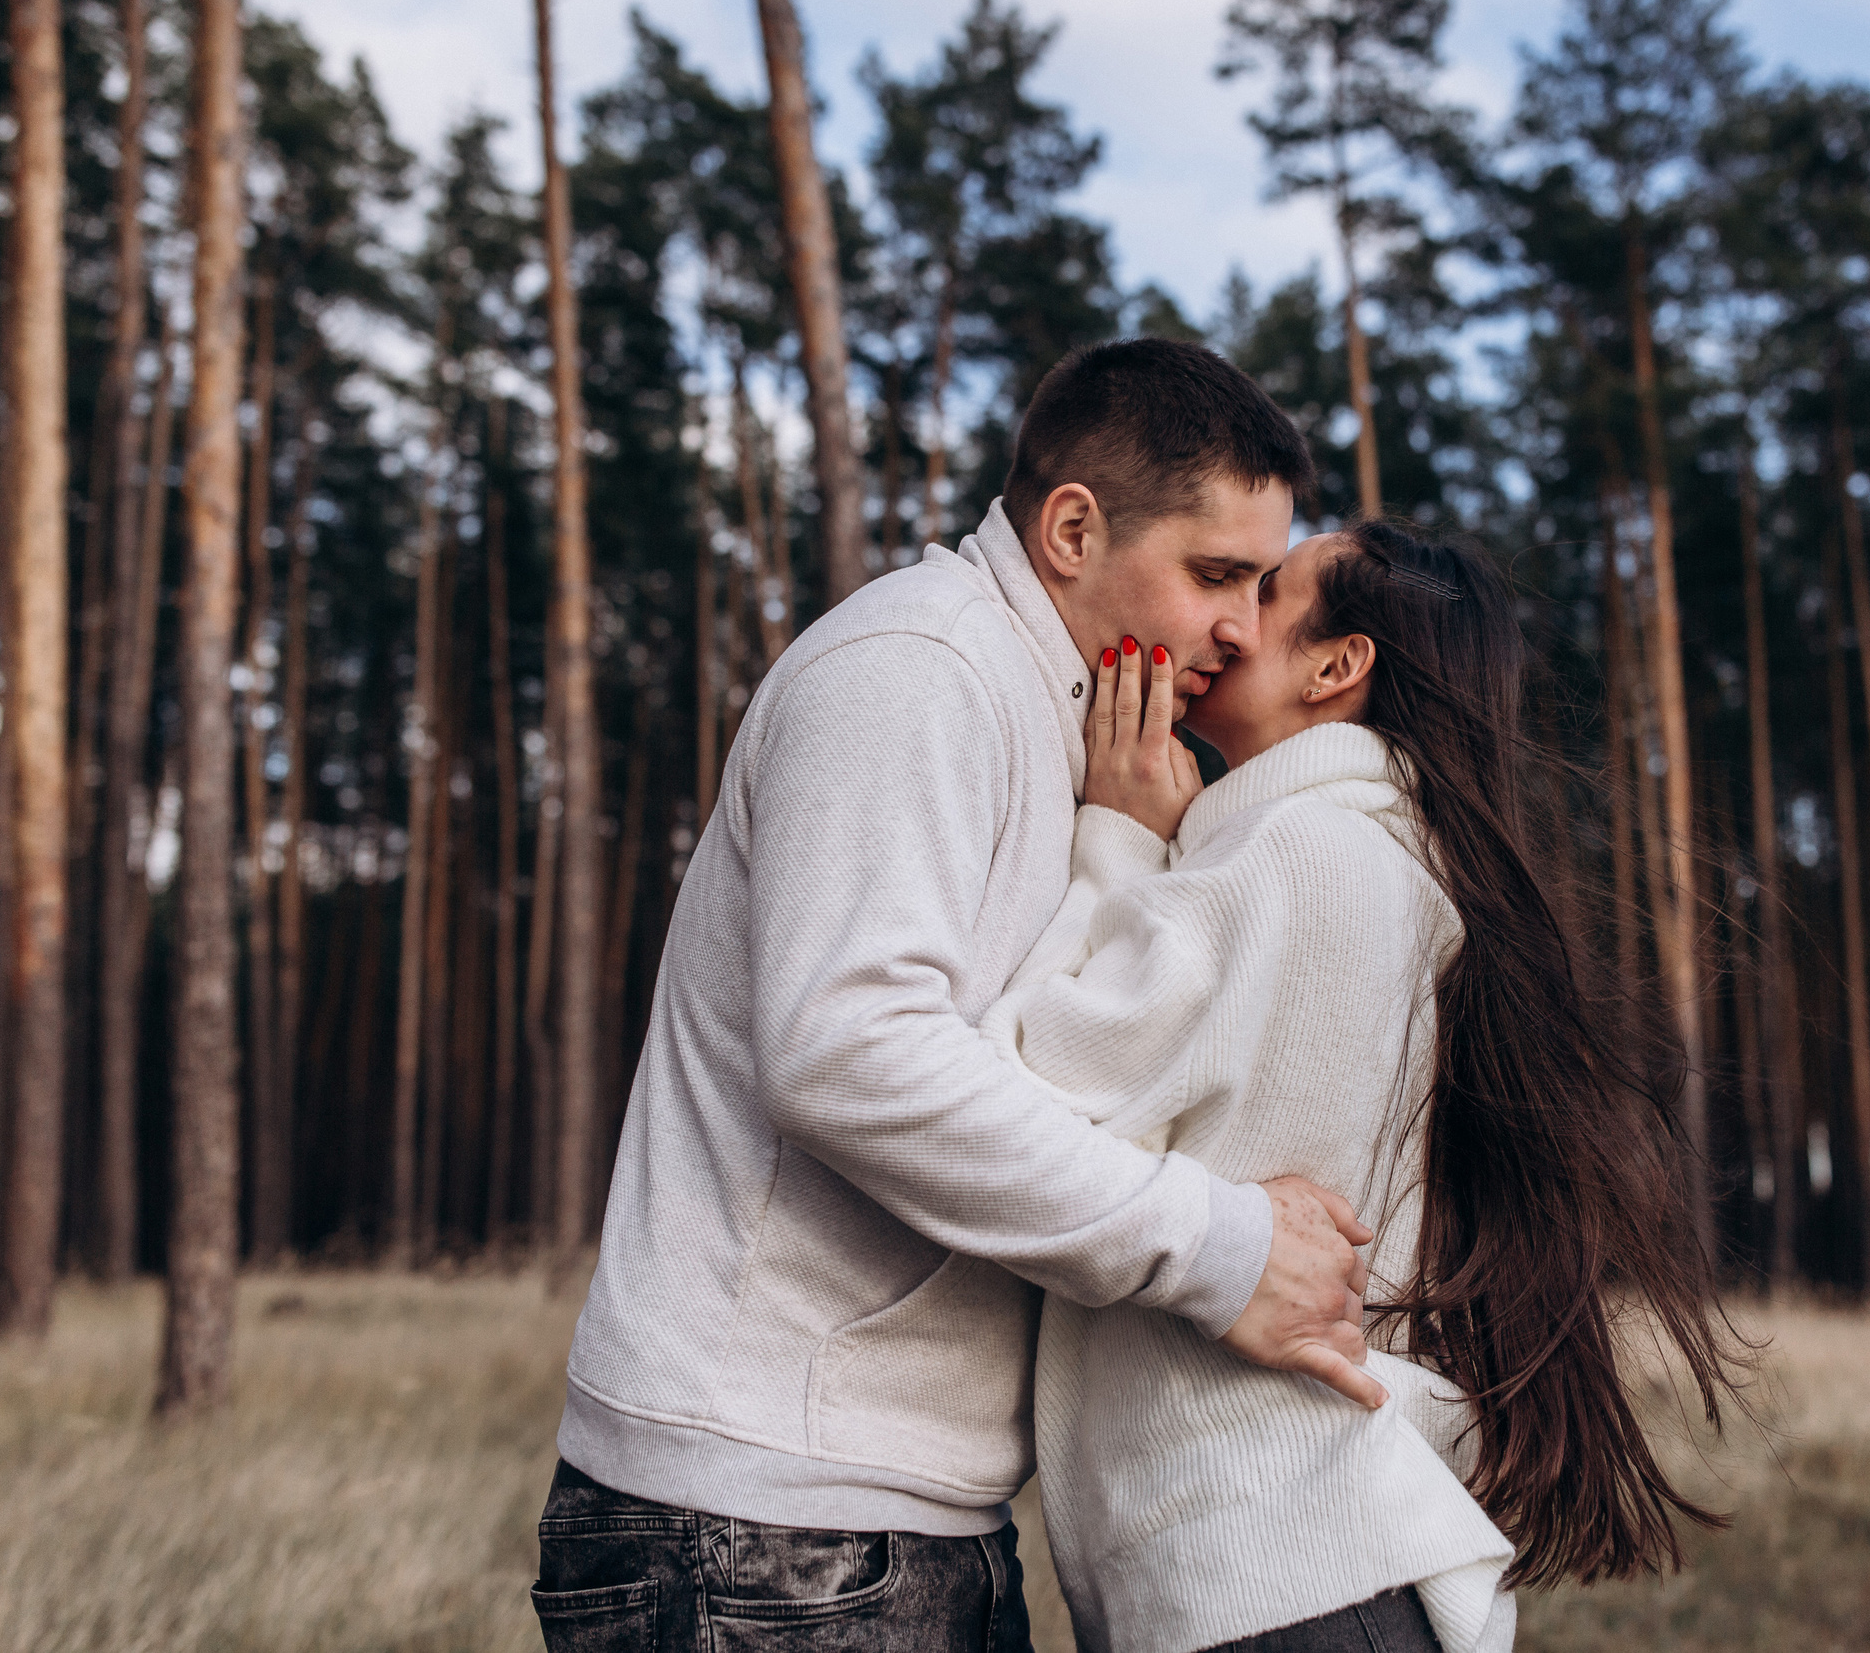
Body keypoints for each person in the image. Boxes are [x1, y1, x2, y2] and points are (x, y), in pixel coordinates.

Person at [532, 340, 1385, 1651]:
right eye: (1217, 571)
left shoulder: (1073, 717)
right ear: (1071, 525)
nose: (1241, 621)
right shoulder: (919, 670)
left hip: (884, 1523)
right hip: (765, 1527)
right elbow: (847, 1052)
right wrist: (1219, 1247)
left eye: (1263, 582)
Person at [986, 521, 1751, 1652]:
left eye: (1266, 589)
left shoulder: (1293, 858)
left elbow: (1020, 1096)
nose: (1229, 620)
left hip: (1266, 1580)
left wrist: (1114, 838)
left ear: (1336, 665)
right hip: (1307, 1573)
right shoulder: (1381, 860)